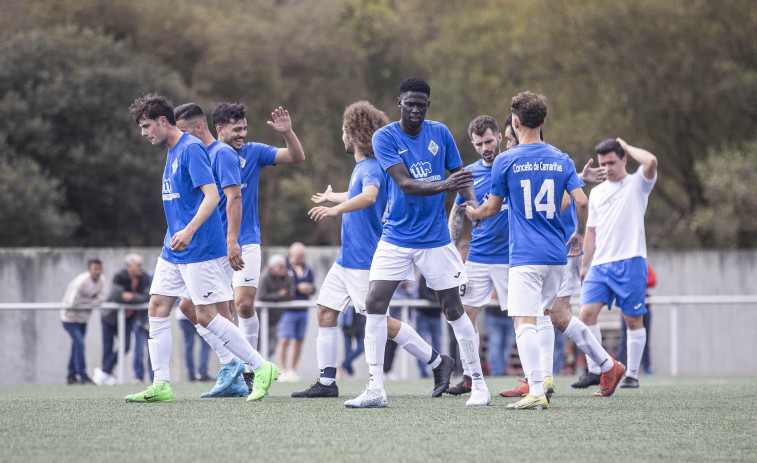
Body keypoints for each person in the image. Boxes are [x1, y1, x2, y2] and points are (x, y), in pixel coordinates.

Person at [467, 91, 624, 410]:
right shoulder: (561, 158)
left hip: (525, 257)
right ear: (543, 121)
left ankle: (537, 388)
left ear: (514, 121)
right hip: (557, 256)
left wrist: (474, 214)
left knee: (524, 321)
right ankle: (550, 379)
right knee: (547, 316)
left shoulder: (505, 161)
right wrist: (579, 234)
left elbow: (492, 208)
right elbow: (581, 201)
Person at [344, 77, 490, 408]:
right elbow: (405, 183)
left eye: (421, 104)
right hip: (395, 235)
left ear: (428, 106)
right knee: (374, 303)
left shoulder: (440, 133)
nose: (414, 109)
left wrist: (472, 204)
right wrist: (445, 185)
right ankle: (375, 389)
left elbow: (461, 178)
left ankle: (478, 384)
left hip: (435, 238)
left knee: (453, 308)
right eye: (409, 103)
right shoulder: (384, 137)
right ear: (399, 103)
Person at [293, 100, 454, 399]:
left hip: (364, 261)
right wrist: (334, 197)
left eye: (343, 130)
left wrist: (335, 209)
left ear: (354, 135)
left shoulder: (371, 167)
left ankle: (437, 361)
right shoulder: (363, 168)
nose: (341, 136)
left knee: (383, 323)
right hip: (347, 260)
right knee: (326, 311)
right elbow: (359, 192)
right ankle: (327, 382)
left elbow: (369, 196)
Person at [125, 94, 278, 403]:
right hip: (174, 249)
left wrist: (189, 230)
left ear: (162, 121)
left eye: (146, 126)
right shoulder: (171, 151)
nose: (144, 133)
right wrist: (175, 234)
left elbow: (212, 196)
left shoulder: (191, 148)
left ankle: (261, 367)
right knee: (157, 306)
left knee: (207, 315)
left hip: (199, 248)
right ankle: (162, 384)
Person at [496, 116, 611, 399]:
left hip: (560, 247)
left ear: (519, 126)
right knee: (542, 315)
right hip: (553, 251)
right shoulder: (556, 161)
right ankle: (541, 379)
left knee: (553, 315)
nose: (508, 145)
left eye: (510, 139)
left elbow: (562, 201)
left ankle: (606, 365)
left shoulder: (532, 161)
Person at [212, 102, 306, 389]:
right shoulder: (207, 154)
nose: (242, 133)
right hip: (213, 245)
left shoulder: (254, 151)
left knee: (242, 304)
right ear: (220, 130)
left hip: (247, 241)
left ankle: (251, 371)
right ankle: (230, 368)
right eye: (236, 129)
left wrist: (288, 133)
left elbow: (296, 156)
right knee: (213, 311)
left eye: (244, 128)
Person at [174, 103, 247, 398]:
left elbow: (234, 198)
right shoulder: (201, 154)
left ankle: (241, 370)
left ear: (199, 128)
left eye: (183, 132)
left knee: (220, 311)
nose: (179, 139)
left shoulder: (223, 153)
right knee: (190, 308)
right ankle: (234, 367)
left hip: (218, 246)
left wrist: (232, 241)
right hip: (205, 245)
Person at [578, 137, 658, 389]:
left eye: (612, 162)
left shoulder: (637, 184)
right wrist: (584, 264)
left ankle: (632, 375)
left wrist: (626, 145)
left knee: (632, 319)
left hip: (631, 261)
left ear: (624, 159)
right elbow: (590, 232)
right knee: (586, 314)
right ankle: (596, 370)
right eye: (603, 164)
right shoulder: (597, 192)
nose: (607, 168)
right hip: (600, 265)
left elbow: (651, 161)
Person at [446, 115, 511, 395]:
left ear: (499, 137)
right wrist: (450, 251)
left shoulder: (513, 165)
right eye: (479, 143)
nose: (485, 147)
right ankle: (470, 376)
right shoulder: (469, 174)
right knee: (464, 314)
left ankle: (540, 379)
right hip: (479, 257)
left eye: (488, 141)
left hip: (513, 257)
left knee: (527, 316)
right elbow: (457, 213)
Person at [96, 253, 151, 385]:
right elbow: (117, 296)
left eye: (141, 265)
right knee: (107, 348)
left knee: (125, 346)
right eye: (138, 265)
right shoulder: (119, 276)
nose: (141, 268)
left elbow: (146, 297)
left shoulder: (144, 278)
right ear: (129, 266)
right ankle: (106, 375)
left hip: (127, 319)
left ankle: (104, 371)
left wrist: (130, 297)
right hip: (110, 318)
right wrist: (132, 297)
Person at [60, 259, 107, 385]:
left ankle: (71, 376)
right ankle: (82, 375)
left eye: (100, 269)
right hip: (70, 319)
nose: (98, 272)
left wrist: (85, 300)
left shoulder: (102, 280)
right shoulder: (80, 282)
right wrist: (91, 299)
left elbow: (101, 298)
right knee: (80, 345)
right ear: (89, 270)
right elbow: (72, 302)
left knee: (76, 346)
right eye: (95, 269)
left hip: (83, 319)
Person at [278, 242, 315, 381]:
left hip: (303, 309)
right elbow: (280, 286)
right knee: (284, 339)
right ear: (292, 254)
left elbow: (314, 286)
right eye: (299, 256)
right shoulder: (283, 266)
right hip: (287, 310)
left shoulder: (307, 269)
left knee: (299, 340)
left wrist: (309, 288)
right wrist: (297, 288)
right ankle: (282, 369)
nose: (301, 259)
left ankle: (292, 370)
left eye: (302, 256)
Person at [616, 263, 656, 375]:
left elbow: (652, 280)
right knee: (625, 338)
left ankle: (646, 367)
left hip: (644, 306)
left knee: (645, 338)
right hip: (628, 304)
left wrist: (636, 283)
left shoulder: (644, 265)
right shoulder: (624, 266)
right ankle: (621, 367)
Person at [414, 276, 442, 378]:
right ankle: (423, 372)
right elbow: (423, 293)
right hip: (423, 315)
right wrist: (440, 300)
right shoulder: (424, 275)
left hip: (437, 316)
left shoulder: (441, 276)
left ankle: (438, 370)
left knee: (438, 344)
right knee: (421, 344)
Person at [175, 308, 212, 382]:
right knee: (189, 346)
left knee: (205, 344)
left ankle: (200, 372)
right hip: (187, 317)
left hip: (198, 316)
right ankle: (193, 373)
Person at [338, 306, 365, 378]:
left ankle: (342, 365)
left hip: (359, 320)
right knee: (348, 350)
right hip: (346, 321)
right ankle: (351, 374)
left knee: (361, 347)